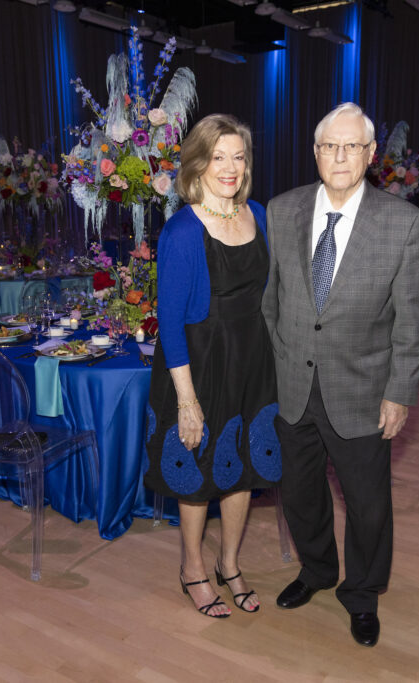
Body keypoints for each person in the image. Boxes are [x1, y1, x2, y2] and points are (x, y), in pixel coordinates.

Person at [261, 103, 419, 646]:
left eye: (352, 146)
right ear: (315, 151)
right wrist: (280, 360)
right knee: (301, 494)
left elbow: (411, 319)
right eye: (330, 145)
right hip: (294, 387)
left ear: (370, 155)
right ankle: (316, 571)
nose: (340, 155)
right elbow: (272, 301)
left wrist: (400, 393)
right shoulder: (281, 212)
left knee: (368, 504)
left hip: (363, 390)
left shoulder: (402, 221)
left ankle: (361, 594)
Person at [144, 114, 280, 618]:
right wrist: (187, 401)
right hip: (198, 366)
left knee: (244, 468)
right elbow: (171, 323)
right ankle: (192, 568)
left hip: (253, 362)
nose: (229, 167)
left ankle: (230, 563)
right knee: (198, 473)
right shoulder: (182, 231)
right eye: (217, 157)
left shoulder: (259, 214)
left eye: (238, 156)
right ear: (197, 164)